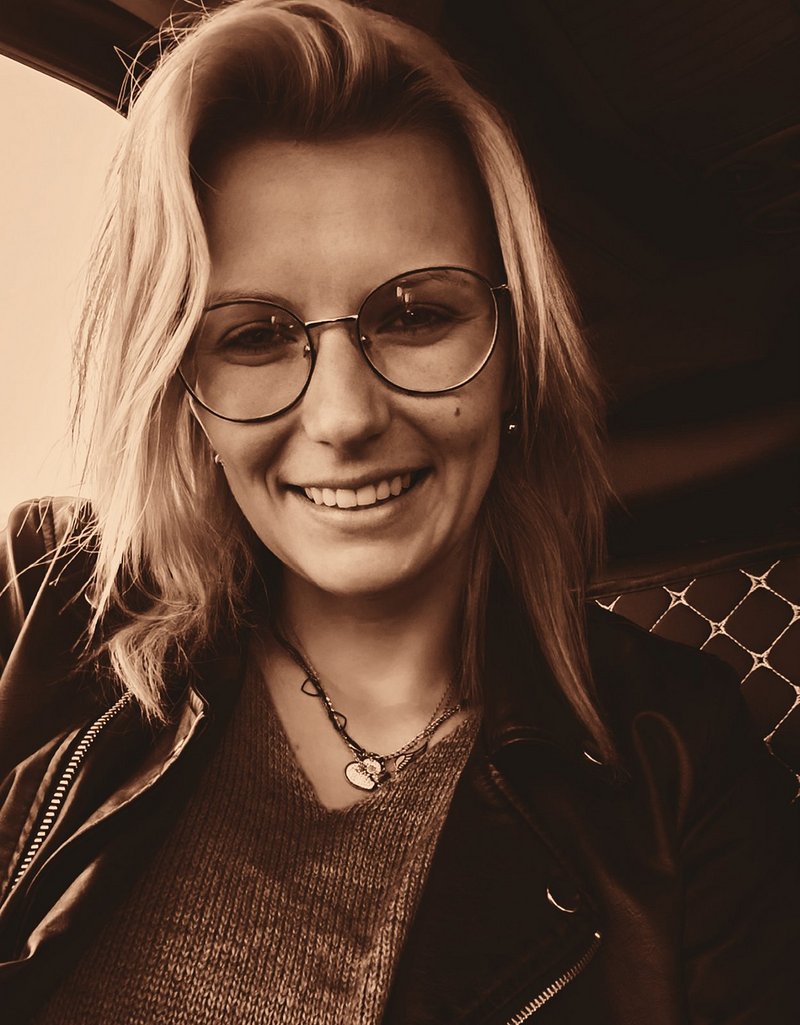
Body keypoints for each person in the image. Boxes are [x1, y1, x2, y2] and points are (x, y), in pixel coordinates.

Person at [0, 1, 798, 1022]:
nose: (343, 416)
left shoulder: (677, 763)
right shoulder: (41, 605)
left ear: (515, 351)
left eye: (415, 315)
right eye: (254, 336)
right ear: (183, 388)